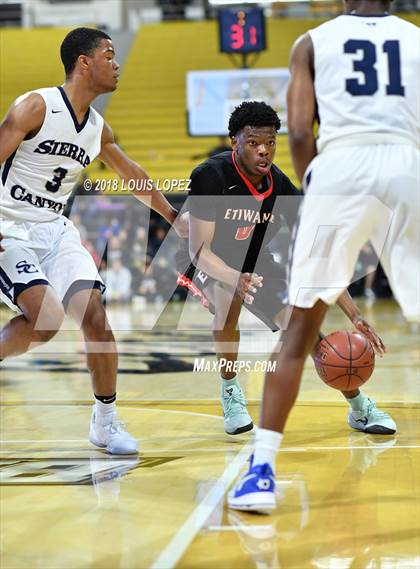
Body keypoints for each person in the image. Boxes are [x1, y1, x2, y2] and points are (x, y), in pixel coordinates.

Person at [229, 2, 419, 512]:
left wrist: (318, 189)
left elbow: (295, 131)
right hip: (408, 161)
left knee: (299, 331)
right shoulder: (416, 39)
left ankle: (262, 473)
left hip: (340, 166)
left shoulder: (311, 41)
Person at [0, 27, 188, 455]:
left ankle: (105, 423)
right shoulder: (36, 105)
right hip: (8, 228)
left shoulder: (98, 128)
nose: (116, 63)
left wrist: (173, 216)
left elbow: (132, 175)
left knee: (96, 316)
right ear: (84, 62)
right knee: (45, 322)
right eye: (109, 54)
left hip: (55, 229)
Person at [177, 101, 393, 437]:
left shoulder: (281, 188)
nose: (263, 151)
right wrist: (235, 277)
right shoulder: (210, 175)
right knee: (228, 299)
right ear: (234, 141)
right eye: (253, 143)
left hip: (258, 261)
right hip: (208, 259)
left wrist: (354, 315)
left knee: (302, 329)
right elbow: (199, 251)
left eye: (270, 143)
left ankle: (359, 406)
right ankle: (231, 390)